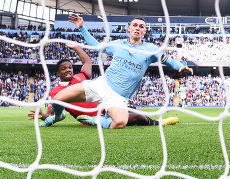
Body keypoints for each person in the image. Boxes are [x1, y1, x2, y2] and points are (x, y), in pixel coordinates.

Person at [47, 15, 192, 129]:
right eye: (134, 25)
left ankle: (97, 121)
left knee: (120, 123)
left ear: (144, 31)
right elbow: (97, 46)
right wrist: (82, 28)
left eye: (141, 26)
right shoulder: (117, 44)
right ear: (129, 28)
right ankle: (59, 116)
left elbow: (168, 60)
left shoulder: (151, 49)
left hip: (118, 97)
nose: (137, 28)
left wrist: (180, 66)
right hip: (100, 85)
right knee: (58, 98)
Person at [31, 44, 178, 127]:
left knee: (136, 112)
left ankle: (157, 121)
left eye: (69, 67)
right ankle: (160, 123)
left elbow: (87, 62)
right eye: (64, 69)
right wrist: (44, 116)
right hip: (92, 119)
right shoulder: (56, 91)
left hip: (107, 105)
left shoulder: (80, 77)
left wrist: (76, 47)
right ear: (57, 73)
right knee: (138, 118)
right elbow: (52, 113)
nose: (68, 70)